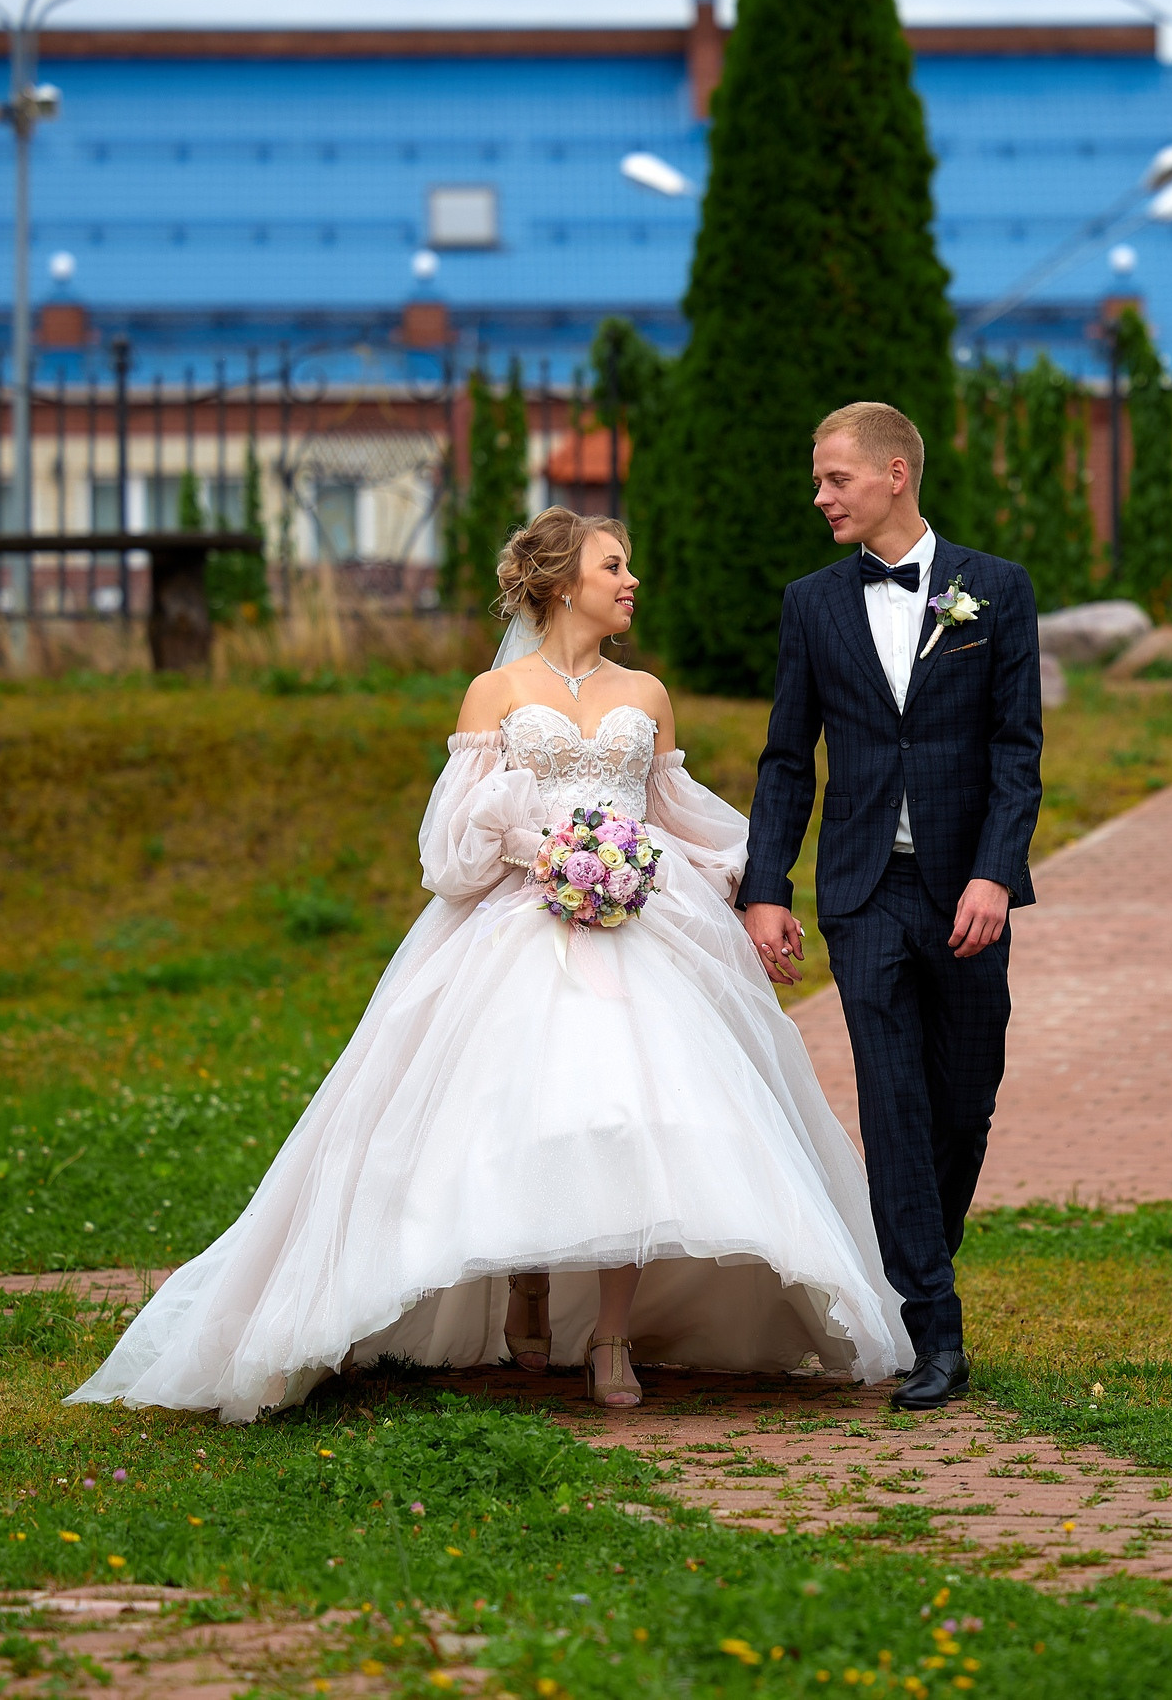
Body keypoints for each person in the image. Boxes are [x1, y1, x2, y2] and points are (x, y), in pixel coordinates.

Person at [69, 507, 908, 1421]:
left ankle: (614, 1333)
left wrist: (733, 884)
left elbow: (674, 811)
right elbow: (452, 843)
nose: (631, 581)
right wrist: (536, 854)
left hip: (641, 925)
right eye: (613, 566)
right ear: (558, 583)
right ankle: (529, 1279)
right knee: (525, 1104)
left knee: (632, 1112)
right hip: (521, 919)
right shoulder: (494, 692)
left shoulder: (649, 693)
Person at [740, 401, 1043, 1412]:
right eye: (819, 479)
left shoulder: (995, 592)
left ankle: (919, 1256)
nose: (819, 495)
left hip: (967, 894)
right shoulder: (811, 604)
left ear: (895, 474)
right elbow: (788, 760)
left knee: (964, 1100)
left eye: (835, 477)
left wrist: (995, 875)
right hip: (864, 892)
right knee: (893, 1103)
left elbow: (1015, 752)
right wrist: (765, 887)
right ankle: (934, 1328)